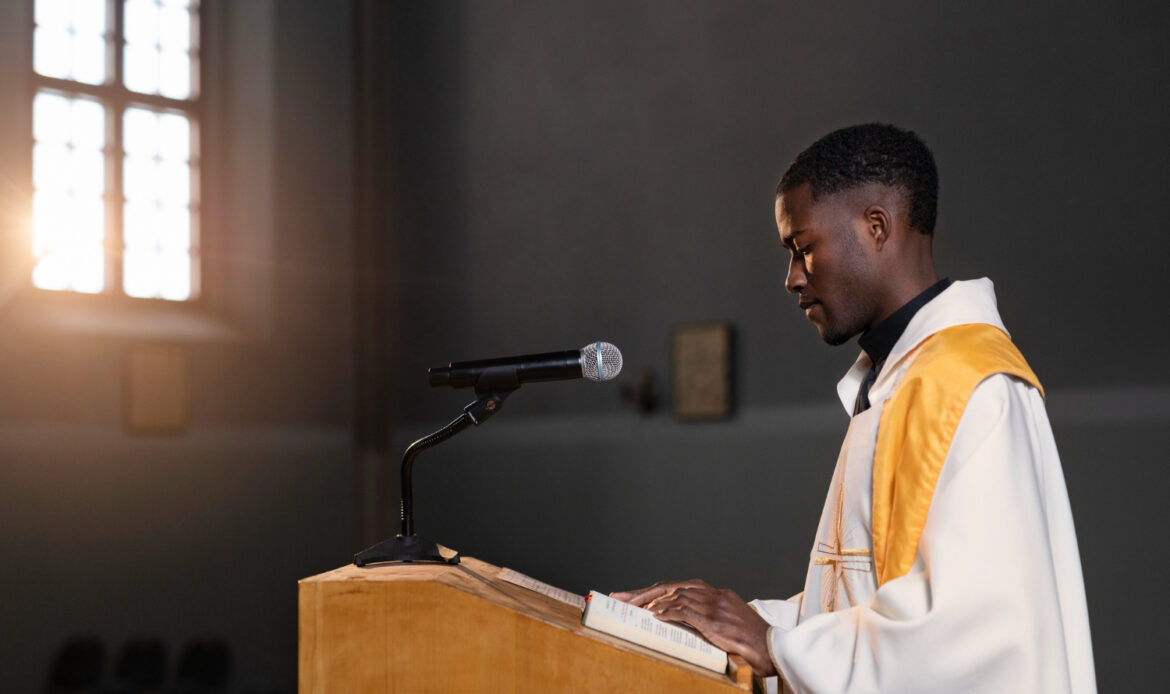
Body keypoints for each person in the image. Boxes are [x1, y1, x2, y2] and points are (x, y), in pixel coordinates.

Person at [612, 124, 1095, 693]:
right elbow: (866, 604)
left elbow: (972, 638)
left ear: (875, 227)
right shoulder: (895, 381)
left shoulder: (972, 386)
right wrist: (723, 624)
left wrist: (773, 645)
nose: (791, 278)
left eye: (804, 248)